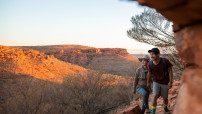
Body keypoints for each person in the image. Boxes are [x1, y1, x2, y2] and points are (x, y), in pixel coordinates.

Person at [147, 48, 173, 114]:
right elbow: (149, 73)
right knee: (155, 96)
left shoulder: (165, 61)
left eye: (153, 54)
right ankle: (153, 112)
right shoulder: (150, 64)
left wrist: (170, 82)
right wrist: (148, 83)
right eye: (150, 54)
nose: (151, 56)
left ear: (158, 54)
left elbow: (170, 71)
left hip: (164, 82)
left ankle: (165, 107)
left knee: (165, 98)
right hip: (155, 81)